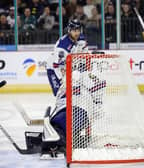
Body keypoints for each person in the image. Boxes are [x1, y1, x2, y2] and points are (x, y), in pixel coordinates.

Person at [43, 19, 88, 155]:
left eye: (78, 29)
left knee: (73, 95)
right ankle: (57, 127)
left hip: (68, 70)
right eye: (74, 30)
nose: (77, 32)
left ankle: (68, 125)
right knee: (61, 95)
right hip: (55, 71)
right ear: (69, 30)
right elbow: (57, 67)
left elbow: (84, 55)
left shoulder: (81, 39)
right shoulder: (63, 46)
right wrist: (65, 81)